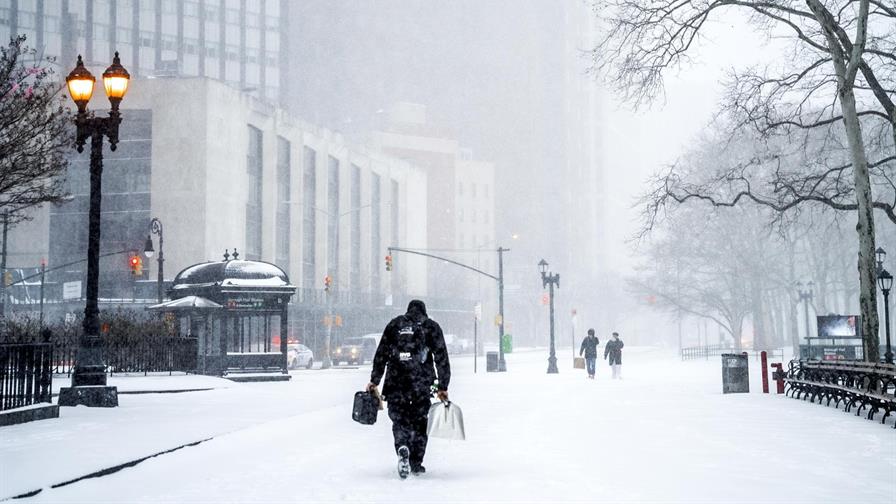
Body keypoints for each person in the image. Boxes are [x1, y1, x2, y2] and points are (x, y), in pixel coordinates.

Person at [367, 299, 451, 479]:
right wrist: (443, 386)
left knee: (399, 421)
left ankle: (402, 445)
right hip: (421, 384)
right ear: (424, 312)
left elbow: (381, 354)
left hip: (396, 383)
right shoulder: (431, 327)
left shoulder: (395, 325)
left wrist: (374, 380)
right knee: (420, 423)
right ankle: (416, 462)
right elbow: (441, 357)